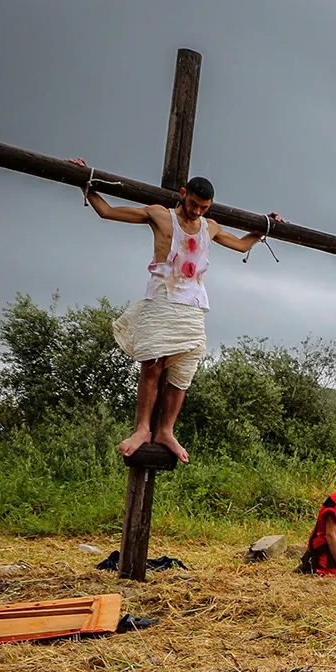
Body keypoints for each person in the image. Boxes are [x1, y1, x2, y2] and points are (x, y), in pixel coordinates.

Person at [71, 163, 278, 463]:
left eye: (204, 207)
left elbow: (242, 244)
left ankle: (166, 430)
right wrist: (85, 183)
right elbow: (108, 211)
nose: (197, 211)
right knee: (152, 365)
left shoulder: (211, 227)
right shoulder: (160, 215)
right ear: (183, 194)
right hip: (162, 298)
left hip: (193, 306)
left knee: (183, 373)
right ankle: (142, 428)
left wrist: (265, 226)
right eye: (193, 204)